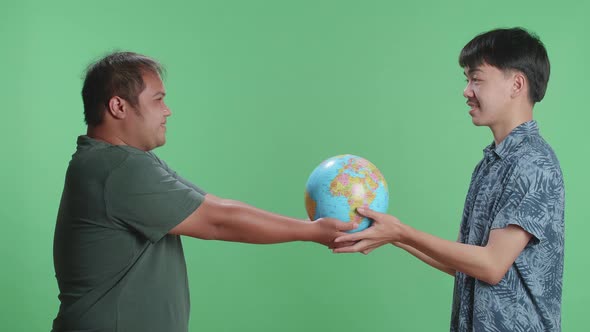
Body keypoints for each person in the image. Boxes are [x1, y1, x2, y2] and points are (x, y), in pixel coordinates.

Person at [52, 51, 357, 332]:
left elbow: (214, 207)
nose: (167, 111)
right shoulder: (116, 168)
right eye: (158, 100)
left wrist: (314, 229)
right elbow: (217, 221)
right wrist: (313, 232)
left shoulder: (128, 161)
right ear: (119, 106)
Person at [333, 27, 565, 331]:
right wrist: (390, 236)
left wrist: (401, 232)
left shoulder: (533, 163)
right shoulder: (490, 165)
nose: (466, 91)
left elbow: (491, 265)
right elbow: (464, 263)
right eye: (466, 80)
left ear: (516, 84)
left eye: (476, 79)